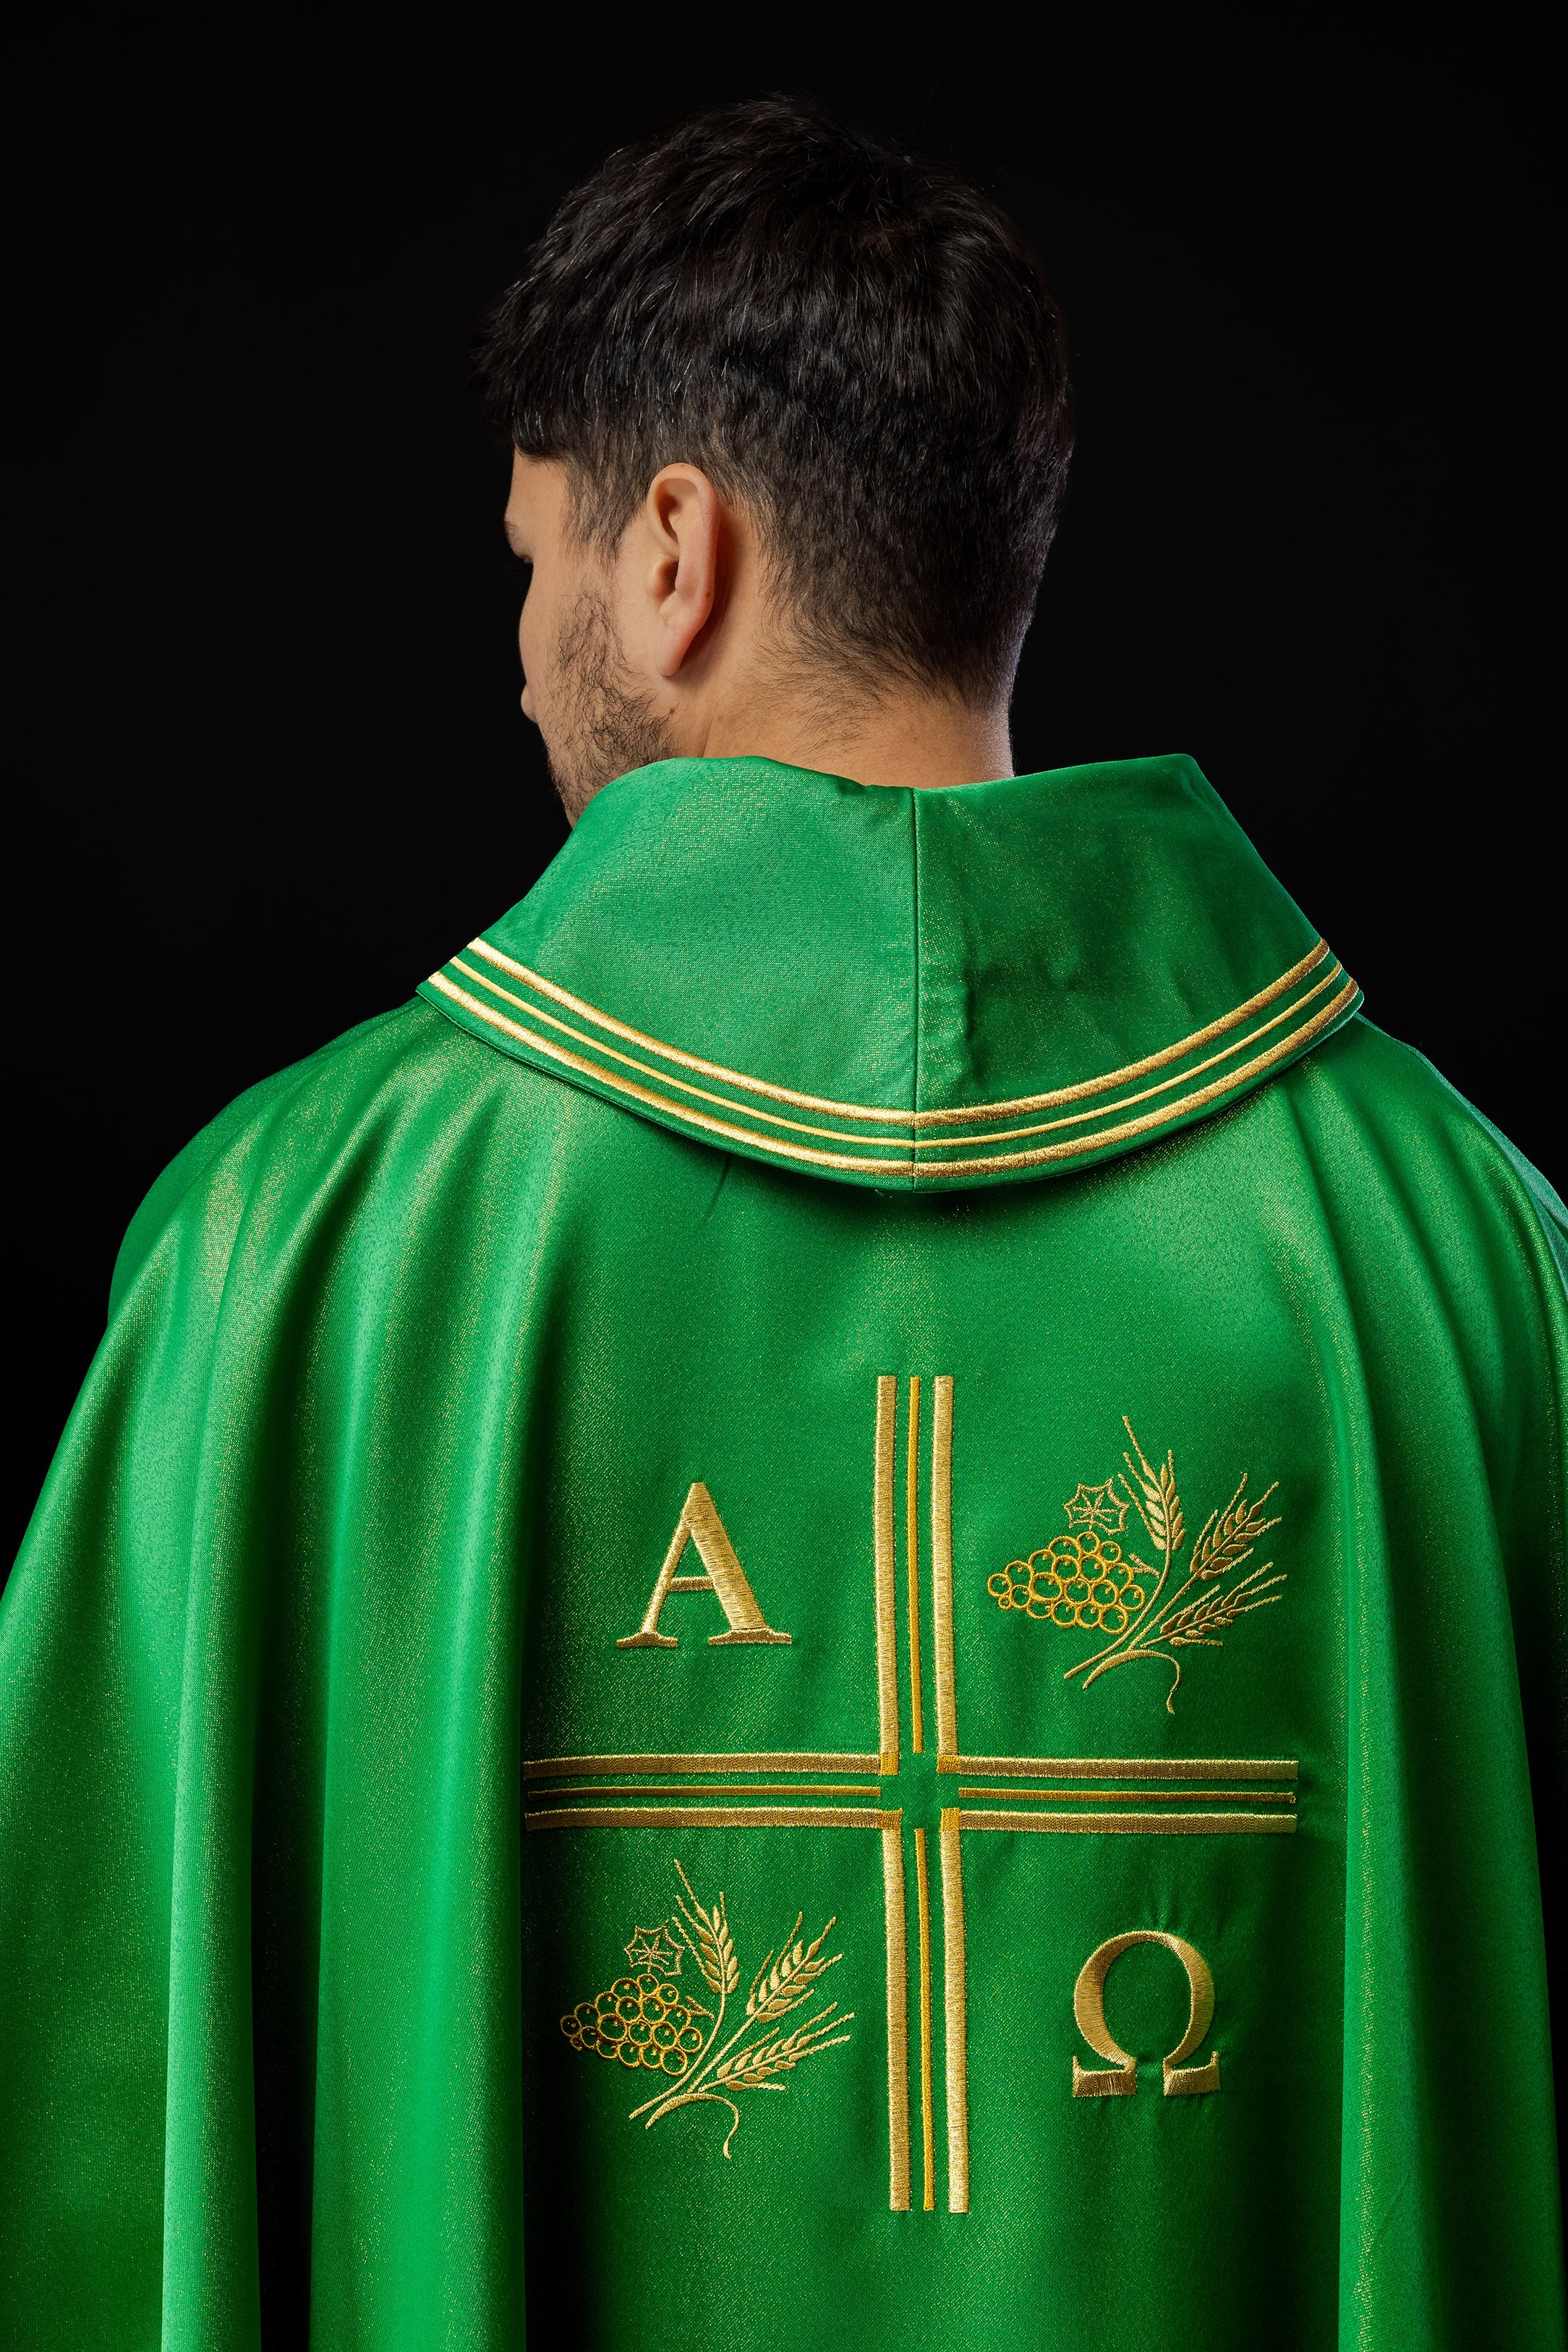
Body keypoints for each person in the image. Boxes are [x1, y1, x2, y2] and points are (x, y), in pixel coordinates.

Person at [1, 96, 1562, 2352]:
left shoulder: (295, 1246)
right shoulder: (1459, 1255)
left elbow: (91, 2105)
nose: (523, 656)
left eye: (532, 566)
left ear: (671, 550)